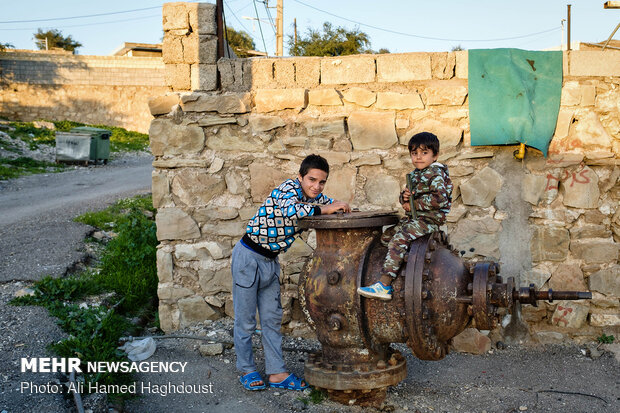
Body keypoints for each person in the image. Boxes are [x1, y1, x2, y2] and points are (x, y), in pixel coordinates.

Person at [232, 154, 351, 391]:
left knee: (272, 320)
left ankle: (277, 373)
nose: (316, 186)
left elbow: (328, 204)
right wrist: (326, 208)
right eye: (311, 180)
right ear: (300, 177)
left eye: (321, 182)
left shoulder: (314, 196)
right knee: (245, 321)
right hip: (248, 258)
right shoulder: (287, 189)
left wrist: (341, 206)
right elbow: (292, 211)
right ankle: (246, 369)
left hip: (269, 262)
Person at [357, 132, 453, 300]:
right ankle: (402, 263)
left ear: (435, 155)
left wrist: (413, 204)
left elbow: (440, 199)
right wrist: (405, 197)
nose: (418, 157)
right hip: (414, 219)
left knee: (398, 240)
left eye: (424, 153)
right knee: (386, 237)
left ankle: (385, 285)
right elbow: (405, 198)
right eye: (414, 153)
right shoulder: (416, 174)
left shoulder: (435, 175)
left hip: (428, 220)